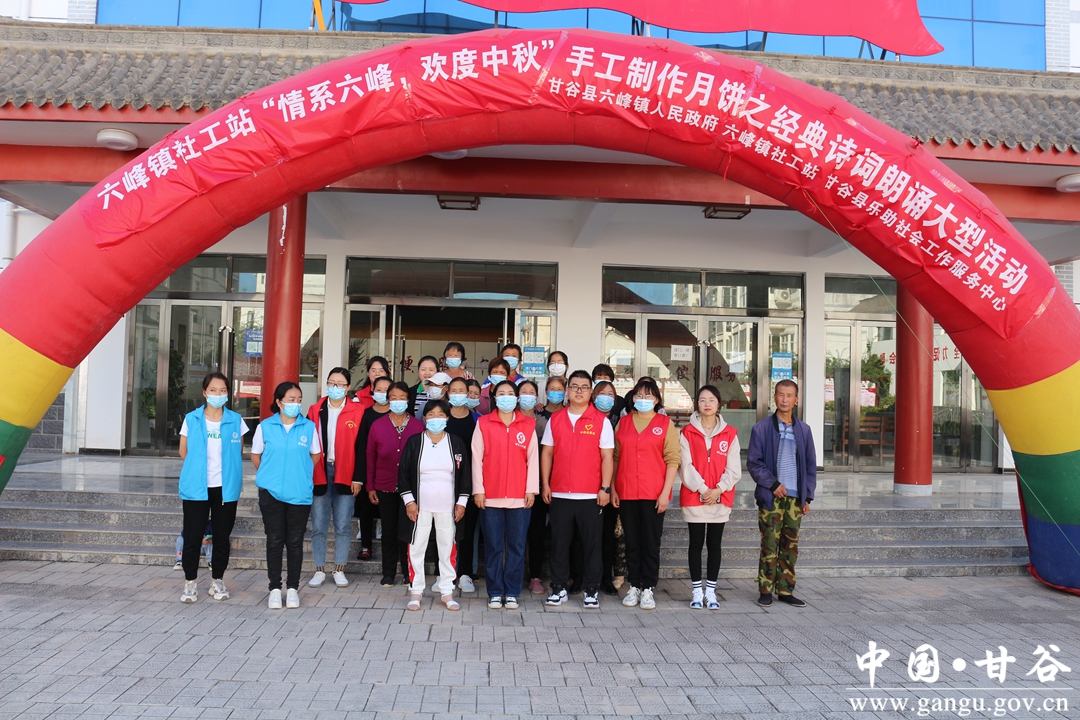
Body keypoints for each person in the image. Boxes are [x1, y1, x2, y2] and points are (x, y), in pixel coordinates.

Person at [540, 370, 614, 609]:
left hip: (591, 495)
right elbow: (547, 453)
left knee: (592, 545)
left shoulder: (601, 421)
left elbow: (607, 457)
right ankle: (558, 588)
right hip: (560, 492)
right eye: (574, 386)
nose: (579, 391)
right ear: (567, 390)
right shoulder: (556, 419)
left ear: (591, 392)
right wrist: (546, 484)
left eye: (584, 387)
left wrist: (605, 488)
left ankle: (591, 590)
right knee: (559, 544)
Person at [177, 372, 247, 603]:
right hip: (197, 487)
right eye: (213, 390)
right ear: (205, 393)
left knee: (222, 537)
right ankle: (190, 582)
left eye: (222, 390)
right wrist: (198, 471)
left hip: (225, 488)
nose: (218, 394)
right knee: (192, 536)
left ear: (228, 393)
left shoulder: (236, 420)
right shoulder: (192, 419)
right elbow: (183, 451)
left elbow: (237, 452)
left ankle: (218, 579)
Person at [747, 379, 816, 609]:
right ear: (774, 397)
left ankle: (786, 590)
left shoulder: (804, 430)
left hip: (795, 499)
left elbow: (810, 466)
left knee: (790, 546)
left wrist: (807, 497)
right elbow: (754, 462)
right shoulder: (762, 428)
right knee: (769, 544)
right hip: (771, 497)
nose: (784, 399)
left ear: (796, 400)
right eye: (780, 395)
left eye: (789, 396)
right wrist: (772, 484)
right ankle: (765, 590)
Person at [253, 381, 321, 610]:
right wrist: (270, 475)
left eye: (299, 400)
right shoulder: (265, 426)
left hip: (299, 493)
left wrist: (299, 473)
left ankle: (292, 588)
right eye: (291, 399)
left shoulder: (308, 427)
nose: (296, 404)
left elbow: (315, 455)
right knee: (274, 540)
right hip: (270, 493)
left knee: (294, 542)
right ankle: (274, 588)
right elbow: (256, 455)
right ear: (279, 402)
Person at [612, 378, 679, 611]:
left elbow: (673, 459)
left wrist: (665, 493)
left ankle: (648, 586)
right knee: (632, 542)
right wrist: (613, 488)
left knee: (650, 542)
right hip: (627, 491)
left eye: (648, 395)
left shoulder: (665, 423)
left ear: (657, 399)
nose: (643, 399)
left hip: (654, 493)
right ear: (632, 398)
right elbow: (615, 457)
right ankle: (634, 585)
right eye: (639, 395)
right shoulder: (623, 423)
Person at [398, 400, 470, 611]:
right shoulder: (414, 442)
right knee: (416, 547)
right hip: (419, 508)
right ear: (424, 418)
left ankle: (447, 591)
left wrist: (462, 502)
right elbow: (403, 474)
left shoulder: (456, 443)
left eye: (440, 414)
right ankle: (416, 591)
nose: (435, 418)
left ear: (447, 418)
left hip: (448, 507)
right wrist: (409, 502)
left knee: (447, 548)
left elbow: (465, 475)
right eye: (431, 414)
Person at [473, 380, 539, 609]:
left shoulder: (528, 425)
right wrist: (478, 490)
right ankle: (495, 591)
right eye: (501, 393)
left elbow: (533, 459)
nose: (506, 397)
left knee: (516, 547)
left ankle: (511, 591)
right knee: (493, 547)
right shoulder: (483, 423)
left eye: (510, 393)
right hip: (490, 496)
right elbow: (476, 459)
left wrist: (531, 489)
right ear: (494, 398)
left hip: (519, 497)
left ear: (517, 398)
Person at [679, 385, 741, 609]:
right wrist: (704, 489)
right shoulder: (686, 432)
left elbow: (734, 469)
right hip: (694, 498)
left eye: (711, 399)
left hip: (720, 498)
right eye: (702, 400)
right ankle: (697, 591)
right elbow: (685, 466)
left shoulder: (730, 433)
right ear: (697, 403)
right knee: (695, 543)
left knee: (715, 544)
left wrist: (718, 490)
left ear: (718, 403)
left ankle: (711, 592)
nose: (707, 404)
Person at [306, 367, 364, 589]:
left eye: (340, 384)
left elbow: (362, 447)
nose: (335, 387)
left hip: (346, 473)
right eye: (332, 383)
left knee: (343, 525)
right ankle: (319, 570)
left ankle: (339, 569)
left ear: (348, 387)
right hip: (320, 471)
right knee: (319, 525)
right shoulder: (315, 409)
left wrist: (358, 478)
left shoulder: (358, 411)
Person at [366, 380, 422, 587]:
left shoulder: (418, 425)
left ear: (408, 400)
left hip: (411, 489)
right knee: (388, 530)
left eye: (402, 398)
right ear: (388, 400)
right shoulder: (377, 425)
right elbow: (370, 457)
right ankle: (388, 573)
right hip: (384, 486)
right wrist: (370, 486)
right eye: (394, 398)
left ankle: (408, 573)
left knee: (407, 531)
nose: (398, 401)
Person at [526, 375, 565, 594]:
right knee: (535, 531)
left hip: (560, 481)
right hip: (535, 483)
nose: (556, 392)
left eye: (560, 389)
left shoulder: (568, 415)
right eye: (552, 388)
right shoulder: (537, 416)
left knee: (558, 531)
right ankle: (533, 575)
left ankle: (560, 575)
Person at [446, 376, 481, 594]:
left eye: (462, 390)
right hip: (444, 483)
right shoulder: (441, 417)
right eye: (454, 390)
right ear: (448, 393)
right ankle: (445, 574)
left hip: (470, 483)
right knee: (445, 530)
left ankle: (466, 573)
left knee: (467, 531)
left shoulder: (477, 420)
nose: (458, 394)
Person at [354, 375, 392, 561]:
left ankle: (390, 550)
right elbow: (361, 446)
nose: (382, 393)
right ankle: (366, 546)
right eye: (379, 389)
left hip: (390, 471)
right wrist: (359, 476)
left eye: (387, 390)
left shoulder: (398, 415)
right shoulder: (366, 414)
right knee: (366, 510)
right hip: (369, 470)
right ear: (372, 391)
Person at [591, 379, 624, 595]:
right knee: (584, 536)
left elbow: (615, 458)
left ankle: (605, 578)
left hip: (609, 487)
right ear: (593, 397)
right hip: (586, 485)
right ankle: (583, 577)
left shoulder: (618, 422)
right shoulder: (585, 418)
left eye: (610, 394)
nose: (606, 397)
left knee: (606, 535)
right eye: (601, 393)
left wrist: (610, 487)